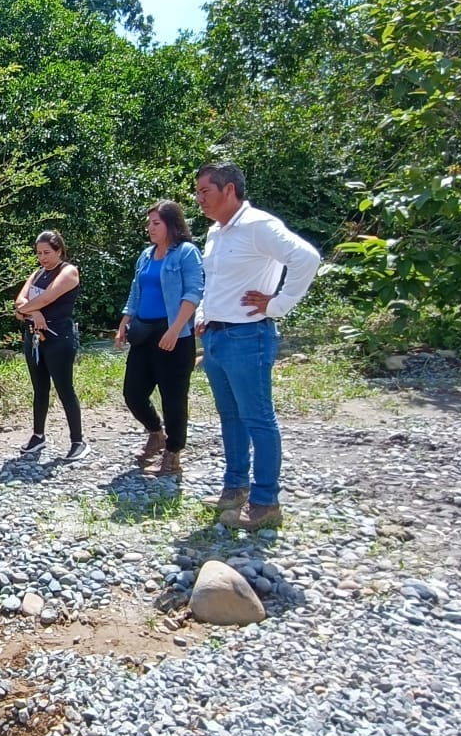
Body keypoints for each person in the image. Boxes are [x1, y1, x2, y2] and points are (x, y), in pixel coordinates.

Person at [194, 163, 320, 530]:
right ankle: (235, 488)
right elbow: (214, 281)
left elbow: (307, 258)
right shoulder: (215, 233)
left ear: (229, 190)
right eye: (198, 193)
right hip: (217, 336)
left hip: (248, 336)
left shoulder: (258, 225)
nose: (200, 199)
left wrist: (278, 304)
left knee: (258, 418)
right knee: (230, 416)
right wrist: (203, 312)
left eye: (205, 191)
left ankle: (265, 502)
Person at [115, 202, 203, 477]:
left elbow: (193, 293)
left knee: (173, 397)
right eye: (149, 223)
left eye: (156, 223)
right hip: (144, 332)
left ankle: (173, 453)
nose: (150, 228)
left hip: (174, 334)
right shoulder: (146, 255)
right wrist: (124, 323)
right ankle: (156, 433)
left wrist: (176, 329)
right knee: (133, 393)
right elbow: (135, 292)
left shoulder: (186, 253)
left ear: (171, 224)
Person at [14, 230, 88, 461]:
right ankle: (38, 435)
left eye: (47, 252)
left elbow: (46, 298)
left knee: (65, 388)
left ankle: (78, 440)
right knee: (40, 388)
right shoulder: (37, 274)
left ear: (59, 250)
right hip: (35, 338)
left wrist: (27, 309)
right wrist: (33, 312)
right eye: (39, 253)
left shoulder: (68, 271)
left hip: (59, 338)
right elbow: (19, 301)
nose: (42, 257)